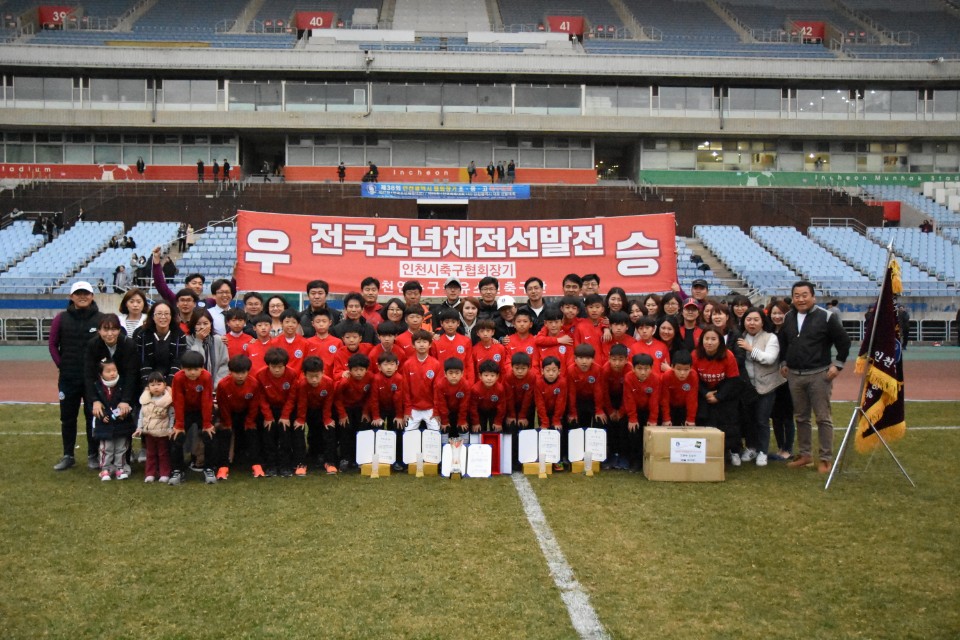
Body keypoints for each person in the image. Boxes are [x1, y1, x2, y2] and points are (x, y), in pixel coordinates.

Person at [778, 281, 851, 474]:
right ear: (792, 298)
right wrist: (783, 363)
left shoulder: (827, 317)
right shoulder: (788, 317)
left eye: (804, 295)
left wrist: (838, 364)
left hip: (819, 375)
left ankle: (826, 459)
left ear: (813, 297)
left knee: (823, 418)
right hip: (794, 375)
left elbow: (843, 341)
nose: (800, 299)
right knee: (801, 417)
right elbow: (783, 343)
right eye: (796, 295)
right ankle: (805, 455)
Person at [50, 281, 104, 471]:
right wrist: (62, 365)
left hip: (93, 379)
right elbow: (52, 344)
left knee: (92, 416)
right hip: (68, 377)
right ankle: (68, 455)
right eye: (78, 293)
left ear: (92, 296)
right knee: (67, 417)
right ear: (71, 297)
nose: (82, 296)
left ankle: (93, 454)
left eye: (86, 293)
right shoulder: (61, 318)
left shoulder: (101, 319)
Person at [737, 308, 784, 467]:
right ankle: (751, 448)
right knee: (748, 420)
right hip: (746, 387)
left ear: (763, 321)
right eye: (748, 319)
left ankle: (763, 451)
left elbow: (769, 359)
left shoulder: (771, 338)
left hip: (766, 386)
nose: (752, 323)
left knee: (762, 420)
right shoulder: (739, 337)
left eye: (756, 319)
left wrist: (750, 349)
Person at [692, 327, 742, 466]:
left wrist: (719, 396)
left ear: (720, 341)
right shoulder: (695, 355)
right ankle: (705, 452)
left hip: (725, 391)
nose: (709, 342)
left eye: (713, 339)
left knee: (728, 422)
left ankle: (733, 451)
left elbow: (733, 379)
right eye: (706, 339)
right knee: (705, 419)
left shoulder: (728, 355)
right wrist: (705, 393)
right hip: (704, 391)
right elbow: (693, 378)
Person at [169, 350, 216, 486]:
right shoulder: (178, 378)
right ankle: (177, 470)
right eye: (189, 369)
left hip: (202, 410)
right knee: (177, 437)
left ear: (202, 368)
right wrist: (179, 424)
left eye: (196, 369)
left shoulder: (206, 377)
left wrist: (207, 423)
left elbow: (207, 400)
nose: (193, 373)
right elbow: (178, 400)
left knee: (209, 436)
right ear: (183, 369)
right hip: (185, 411)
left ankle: (209, 468)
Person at [215, 354, 260, 480]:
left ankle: (256, 464)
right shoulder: (223, 385)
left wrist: (250, 421)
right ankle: (223, 466)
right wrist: (227, 423)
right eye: (236, 373)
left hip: (246, 413)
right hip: (229, 413)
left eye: (243, 372)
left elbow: (254, 405)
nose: (240, 376)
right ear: (230, 372)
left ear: (248, 372)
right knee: (225, 432)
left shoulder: (254, 384)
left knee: (252, 431)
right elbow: (222, 405)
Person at [91, 359, 137, 481]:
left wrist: (124, 412)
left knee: (121, 448)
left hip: (122, 424)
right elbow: (96, 406)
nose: (112, 373)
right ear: (101, 374)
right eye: (108, 371)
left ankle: (120, 468)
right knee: (106, 448)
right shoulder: (97, 387)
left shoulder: (123, 385)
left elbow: (130, 401)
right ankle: (105, 469)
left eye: (114, 370)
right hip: (104, 426)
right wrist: (102, 415)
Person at [256, 347, 299, 477]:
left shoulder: (292, 374)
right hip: (268, 409)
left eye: (280, 367)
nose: (277, 370)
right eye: (273, 366)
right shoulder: (260, 375)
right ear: (268, 365)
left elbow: (292, 398)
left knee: (285, 436)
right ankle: (271, 466)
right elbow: (261, 398)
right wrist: (268, 417)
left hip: (287, 409)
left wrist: (285, 415)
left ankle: (285, 465)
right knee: (268, 436)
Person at [295, 356, 338, 474]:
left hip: (323, 411)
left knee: (329, 428)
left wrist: (327, 419)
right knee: (299, 428)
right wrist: (300, 419)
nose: (314, 380)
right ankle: (301, 463)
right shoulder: (302, 384)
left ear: (323, 373)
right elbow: (302, 403)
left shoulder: (329, 383)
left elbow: (328, 402)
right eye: (310, 376)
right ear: (304, 374)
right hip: (307, 410)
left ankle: (329, 461)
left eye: (317, 376)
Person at [134, 302, 187, 390]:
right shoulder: (142, 335)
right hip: (148, 382)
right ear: (153, 316)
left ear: (171, 316)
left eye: (166, 314)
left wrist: (169, 385)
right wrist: (149, 386)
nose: (163, 317)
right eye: (159, 314)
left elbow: (178, 362)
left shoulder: (179, 335)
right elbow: (143, 362)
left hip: (172, 382)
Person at [335, 353, 374, 472]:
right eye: (355, 370)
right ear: (349, 370)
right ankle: (345, 458)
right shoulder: (344, 381)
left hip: (361, 408)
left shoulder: (371, 378)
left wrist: (366, 412)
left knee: (362, 431)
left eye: (361, 370)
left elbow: (370, 396)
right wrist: (342, 415)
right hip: (346, 408)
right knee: (346, 431)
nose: (358, 373)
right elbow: (337, 398)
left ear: (366, 370)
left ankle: (361, 458)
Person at [766, 299, 794, 461]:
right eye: (774, 313)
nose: (777, 316)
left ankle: (788, 448)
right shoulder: (769, 332)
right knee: (775, 415)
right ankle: (780, 447)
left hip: (786, 378)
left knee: (787, 415)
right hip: (771, 378)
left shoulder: (790, 331)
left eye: (780, 313)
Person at [623, 353, 660, 472]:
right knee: (633, 432)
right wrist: (632, 418)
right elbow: (629, 399)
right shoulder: (628, 378)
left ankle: (649, 461)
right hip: (634, 411)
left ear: (651, 368)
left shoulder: (655, 379)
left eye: (646, 369)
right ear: (633, 368)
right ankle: (635, 461)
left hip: (649, 411)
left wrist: (653, 419)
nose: (643, 372)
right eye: (639, 369)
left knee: (649, 434)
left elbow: (655, 400)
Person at [369, 351, 406, 471]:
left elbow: (400, 399)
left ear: (397, 366)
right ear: (379, 367)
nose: (389, 367)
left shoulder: (399, 379)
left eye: (392, 364)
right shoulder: (376, 379)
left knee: (397, 429)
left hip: (395, 410)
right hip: (380, 409)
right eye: (385, 365)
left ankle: (397, 460)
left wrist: (400, 415)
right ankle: (377, 458)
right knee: (376, 429)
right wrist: (376, 416)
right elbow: (374, 399)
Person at [136, 371, 174, 483]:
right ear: (148, 387)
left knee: (163, 454)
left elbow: (172, 415)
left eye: (158, 384)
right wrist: (139, 428)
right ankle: (150, 473)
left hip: (163, 432)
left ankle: (164, 473)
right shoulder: (145, 400)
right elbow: (141, 415)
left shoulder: (168, 400)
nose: (156, 387)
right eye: (152, 385)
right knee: (150, 453)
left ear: (164, 385)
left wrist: (170, 428)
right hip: (149, 433)